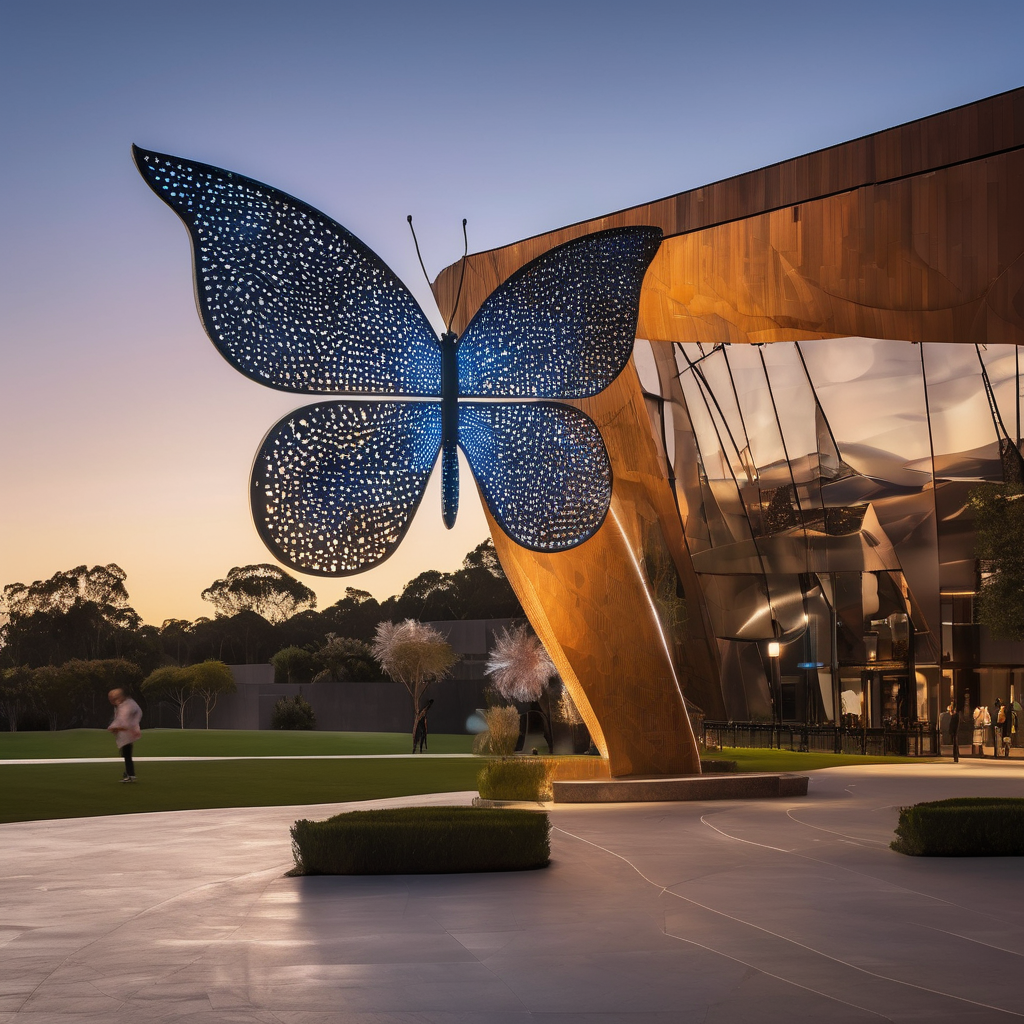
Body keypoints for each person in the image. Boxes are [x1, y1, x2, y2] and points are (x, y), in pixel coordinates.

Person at [107, 688, 142, 782]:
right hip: (127, 734)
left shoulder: (126, 706)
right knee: (126, 754)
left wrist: (115, 728)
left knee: (127, 755)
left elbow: (124, 722)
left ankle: (130, 775)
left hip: (127, 734)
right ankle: (129, 773)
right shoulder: (126, 704)